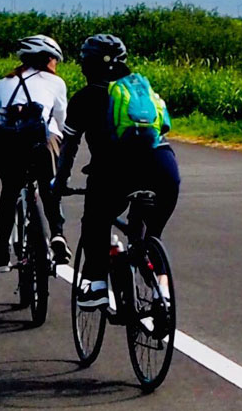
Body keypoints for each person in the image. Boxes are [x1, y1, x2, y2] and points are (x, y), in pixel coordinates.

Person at [54, 33, 179, 309]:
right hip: (164, 168)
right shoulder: (142, 90)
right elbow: (163, 129)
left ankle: (97, 284)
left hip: (115, 171)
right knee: (150, 237)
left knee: (95, 221)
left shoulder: (86, 97)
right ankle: (163, 294)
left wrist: (59, 183)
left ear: (88, 65)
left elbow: (68, 148)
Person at [0, 35, 70, 271]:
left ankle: (2, 253)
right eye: (54, 59)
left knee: (9, 191)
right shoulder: (56, 83)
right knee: (49, 188)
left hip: (8, 146)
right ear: (47, 59)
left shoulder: (4, 82)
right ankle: (57, 235)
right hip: (42, 144)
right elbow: (62, 120)